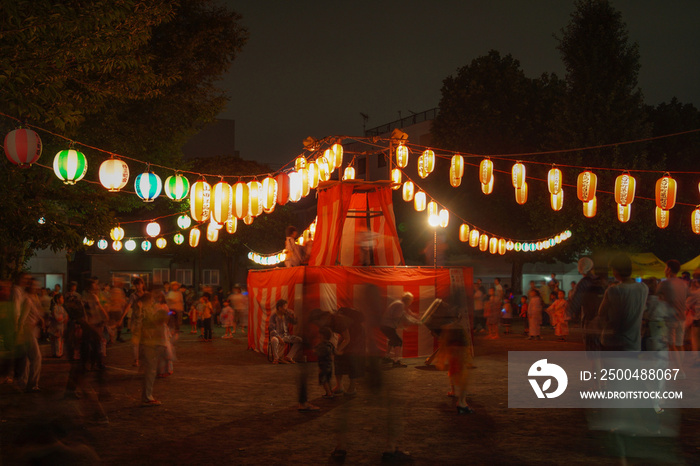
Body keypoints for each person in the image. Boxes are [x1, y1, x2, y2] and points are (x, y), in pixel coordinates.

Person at [598, 253, 648, 351]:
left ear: (616, 270)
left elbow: (601, 312)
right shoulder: (643, 288)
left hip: (614, 341)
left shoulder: (613, 290)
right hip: (634, 343)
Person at [658, 260, 689, 370]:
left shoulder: (665, 283)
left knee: (672, 345)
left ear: (669, 269)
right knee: (680, 345)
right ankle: (680, 368)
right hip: (682, 318)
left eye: (665, 267)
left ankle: (678, 369)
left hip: (671, 319)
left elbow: (657, 298)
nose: (664, 270)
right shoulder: (684, 284)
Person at [139, 292, 168, 406]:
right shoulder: (145, 311)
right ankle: (147, 396)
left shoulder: (147, 310)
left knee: (150, 370)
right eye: (151, 299)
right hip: (150, 343)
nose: (153, 301)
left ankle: (147, 395)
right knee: (150, 370)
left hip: (151, 342)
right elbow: (147, 326)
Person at [380, 292, 421, 367]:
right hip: (387, 326)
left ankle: (386, 357)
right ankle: (396, 361)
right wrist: (413, 322)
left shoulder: (399, 303)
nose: (411, 302)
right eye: (411, 300)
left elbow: (405, 314)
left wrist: (413, 319)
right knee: (398, 341)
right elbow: (399, 316)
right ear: (408, 300)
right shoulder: (400, 305)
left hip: (385, 325)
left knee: (392, 340)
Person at [268, 299, 302, 364]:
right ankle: (276, 358)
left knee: (299, 340)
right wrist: (279, 338)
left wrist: (294, 316)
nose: (286, 309)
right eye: (284, 307)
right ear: (279, 308)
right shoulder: (273, 316)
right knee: (274, 340)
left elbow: (294, 322)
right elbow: (272, 329)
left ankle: (289, 357)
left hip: (286, 335)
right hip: (276, 336)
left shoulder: (286, 315)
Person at [121, 278, 146, 367]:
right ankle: (136, 359)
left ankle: (143, 359)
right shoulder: (133, 295)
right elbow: (128, 306)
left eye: (139, 284)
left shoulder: (146, 295)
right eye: (136, 285)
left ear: (143, 284)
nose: (138, 287)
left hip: (145, 321)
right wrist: (122, 318)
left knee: (145, 342)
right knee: (135, 342)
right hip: (136, 321)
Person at [315, 326, 335, 398]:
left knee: (324, 380)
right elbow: (333, 352)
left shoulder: (322, 345)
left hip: (323, 365)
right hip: (329, 365)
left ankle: (328, 393)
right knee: (328, 379)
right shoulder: (330, 344)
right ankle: (330, 392)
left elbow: (319, 353)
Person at [49, 293, 67, 358]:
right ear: (57, 299)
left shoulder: (61, 308)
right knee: (57, 341)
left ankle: (57, 353)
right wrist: (64, 318)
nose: (63, 299)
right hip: (56, 327)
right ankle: (57, 353)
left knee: (58, 341)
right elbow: (57, 318)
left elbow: (65, 316)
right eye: (61, 298)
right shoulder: (55, 308)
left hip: (59, 326)